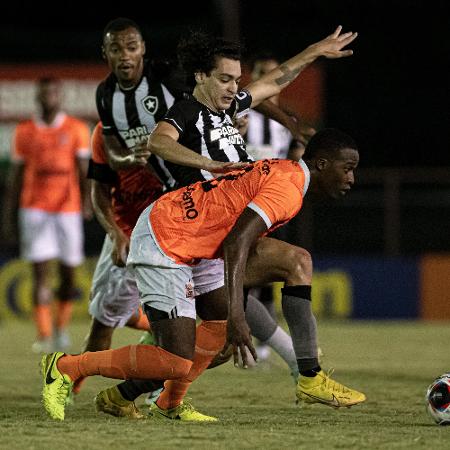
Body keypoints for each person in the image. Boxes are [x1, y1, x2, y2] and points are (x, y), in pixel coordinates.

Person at [39, 26, 365, 423]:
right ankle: (68, 367)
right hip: (178, 230)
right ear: (200, 77)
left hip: (209, 236)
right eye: (225, 79)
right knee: (165, 347)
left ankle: (168, 402)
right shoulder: (188, 111)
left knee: (222, 337)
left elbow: (271, 82)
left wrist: (314, 49)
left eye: (235, 80)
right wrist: (209, 163)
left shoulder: (227, 110)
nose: (234, 88)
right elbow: (159, 142)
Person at [75, 18, 246, 400]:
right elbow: (105, 173)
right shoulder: (107, 103)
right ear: (105, 54)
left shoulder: (171, 87)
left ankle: (160, 393)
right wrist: (116, 231)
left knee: (218, 333)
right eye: (116, 48)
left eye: (132, 46)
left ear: (144, 49)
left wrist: (227, 126)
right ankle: (69, 379)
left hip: (183, 218)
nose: (125, 55)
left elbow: (223, 97)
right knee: (105, 320)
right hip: (133, 225)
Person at [2, 77, 92, 353]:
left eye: (53, 93)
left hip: (67, 210)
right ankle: (44, 335)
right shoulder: (25, 131)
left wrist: (88, 201)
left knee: (68, 275)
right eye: (44, 94)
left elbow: (83, 170)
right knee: (40, 275)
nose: (49, 98)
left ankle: (61, 329)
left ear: (60, 97)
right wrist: (9, 213)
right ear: (38, 98)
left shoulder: (76, 129)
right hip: (34, 210)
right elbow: (15, 177)